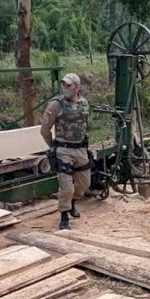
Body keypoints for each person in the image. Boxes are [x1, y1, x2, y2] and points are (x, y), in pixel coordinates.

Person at [40, 73, 91, 230]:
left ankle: (72, 203)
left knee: (84, 184)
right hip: (63, 150)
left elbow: (84, 125)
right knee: (66, 187)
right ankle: (64, 217)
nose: (66, 88)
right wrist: (53, 146)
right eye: (64, 85)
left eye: (68, 85)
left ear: (77, 86)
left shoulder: (84, 103)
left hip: (81, 149)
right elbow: (44, 129)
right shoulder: (56, 105)